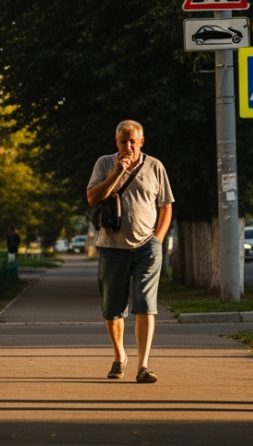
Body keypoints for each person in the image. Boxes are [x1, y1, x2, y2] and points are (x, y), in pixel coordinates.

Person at [85, 119, 173, 384]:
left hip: (147, 246)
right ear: (117, 142)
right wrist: (116, 173)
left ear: (141, 141)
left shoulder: (155, 166)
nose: (128, 145)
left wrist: (157, 239)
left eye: (133, 140)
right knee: (112, 310)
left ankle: (143, 365)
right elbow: (92, 198)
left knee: (145, 304)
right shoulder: (104, 163)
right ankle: (120, 355)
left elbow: (166, 206)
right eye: (123, 141)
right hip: (112, 248)